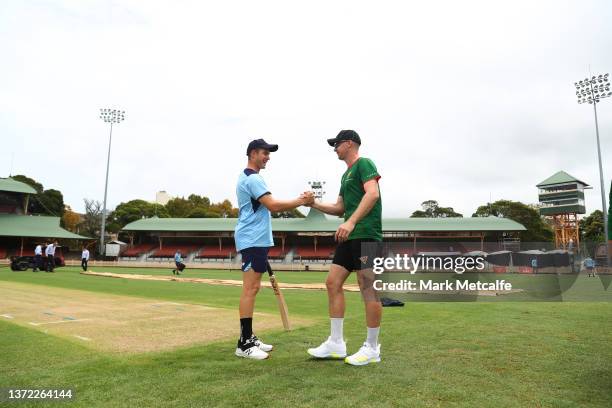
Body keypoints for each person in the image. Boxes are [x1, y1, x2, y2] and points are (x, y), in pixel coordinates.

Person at [306, 130, 384, 366]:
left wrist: (351, 222)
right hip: (349, 237)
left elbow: (373, 194)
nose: (335, 148)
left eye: (337, 144)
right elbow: (340, 208)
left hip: (366, 235)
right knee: (332, 283)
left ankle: (372, 348)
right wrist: (314, 204)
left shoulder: (364, 163)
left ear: (349, 143)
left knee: (368, 288)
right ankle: (336, 343)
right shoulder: (345, 175)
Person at [234, 138, 314, 360]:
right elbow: (274, 205)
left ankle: (249, 336)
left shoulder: (250, 177)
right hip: (252, 239)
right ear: (252, 154)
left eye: (268, 153)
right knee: (250, 289)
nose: (268, 157)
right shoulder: (253, 178)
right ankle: (244, 343)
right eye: (264, 153)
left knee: (254, 288)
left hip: (256, 239)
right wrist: (301, 201)